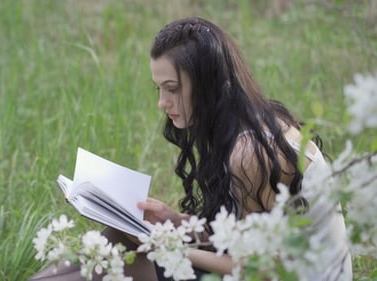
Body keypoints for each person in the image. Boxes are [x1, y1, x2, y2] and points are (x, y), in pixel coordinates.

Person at [29, 17, 352, 281]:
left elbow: (262, 270)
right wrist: (176, 222)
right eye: (158, 89)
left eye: (172, 89)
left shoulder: (253, 152)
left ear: (208, 85)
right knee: (115, 239)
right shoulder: (250, 124)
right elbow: (244, 236)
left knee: (120, 261)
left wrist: (167, 247)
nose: (161, 103)